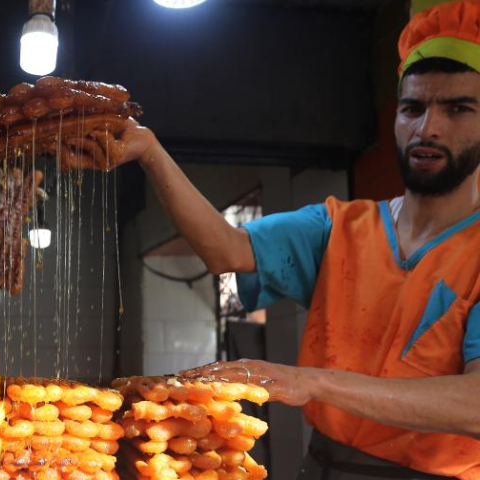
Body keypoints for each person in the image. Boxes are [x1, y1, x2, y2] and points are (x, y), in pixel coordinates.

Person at [112, 1, 480, 479]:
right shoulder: (339, 228)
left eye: (458, 108)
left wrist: (311, 382)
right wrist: (150, 151)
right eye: (413, 107)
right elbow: (226, 249)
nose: (428, 127)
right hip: (322, 465)